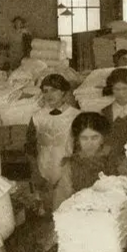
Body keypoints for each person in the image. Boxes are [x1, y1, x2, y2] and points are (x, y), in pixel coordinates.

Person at [52, 112, 127, 210]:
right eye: (84, 138)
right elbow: (61, 200)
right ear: (77, 140)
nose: (90, 143)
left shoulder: (116, 159)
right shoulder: (72, 164)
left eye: (95, 137)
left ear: (103, 138)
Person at [25, 74, 81, 208]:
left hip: (67, 172)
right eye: (45, 91)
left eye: (54, 90)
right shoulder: (37, 117)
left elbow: (81, 149)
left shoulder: (76, 115)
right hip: (43, 170)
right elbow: (30, 147)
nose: (49, 95)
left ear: (63, 92)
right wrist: (36, 173)